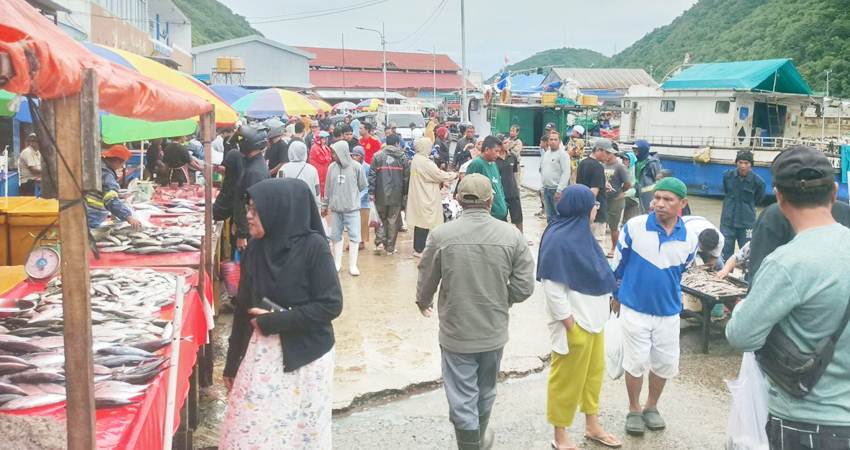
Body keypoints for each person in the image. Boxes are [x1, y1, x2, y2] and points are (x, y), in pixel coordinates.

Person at [725, 145, 850, 450]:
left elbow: (740, 336)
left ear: (779, 197)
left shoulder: (787, 263)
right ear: (834, 192)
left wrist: (743, 309)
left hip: (805, 421)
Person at [416, 173, 535, 450]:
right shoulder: (512, 235)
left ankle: (470, 444)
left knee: (461, 394)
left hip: (456, 331)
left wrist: (423, 302)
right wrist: (503, 300)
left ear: (458, 200)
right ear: (490, 200)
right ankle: (479, 438)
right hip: (493, 330)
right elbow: (525, 285)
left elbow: (427, 276)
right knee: (486, 390)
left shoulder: (442, 235)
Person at [220, 178, 342, 450]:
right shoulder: (254, 249)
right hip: (264, 350)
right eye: (248, 208)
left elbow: (330, 305)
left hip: (307, 355)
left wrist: (276, 320)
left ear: (279, 209)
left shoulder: (313, 247)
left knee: (298, 433)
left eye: (255, 209)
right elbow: (242, 311)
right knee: (248, 430)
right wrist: (232, 362)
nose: (248, 216)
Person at [612, 177, 698, 437]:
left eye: (668, 199)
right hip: (634, 308)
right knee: (635, 362)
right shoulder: (634, 227)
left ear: (682, 203)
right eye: (657, 198)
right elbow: (618, 264)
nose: (659, 204)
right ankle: (634, 409)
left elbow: (683, 270)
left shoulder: (690, 239)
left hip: (669, 312)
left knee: (664, 364)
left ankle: (652, 406)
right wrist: (616, 295)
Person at [539, 184, 621, 450]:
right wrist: (570, 324)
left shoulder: (582, 234)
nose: (596, 209)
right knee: (566, 381)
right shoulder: (558, 237)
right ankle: (560, 435)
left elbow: (599, 273)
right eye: (593, 205)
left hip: (596, 323)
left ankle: (592, 425)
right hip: (575, 324)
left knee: (592, 376)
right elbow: (552, 288)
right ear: (583, 208)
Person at [747, 201, 850, 283]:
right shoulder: (845, 213)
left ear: (778, 194)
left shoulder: (775, 215)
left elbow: (759, 283)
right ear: (834, 191)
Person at [406, 137, 457, 257]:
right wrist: (454, 175)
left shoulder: (416, 159)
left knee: (420, 221)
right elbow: (438, 174)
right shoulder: (425, 162)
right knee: (425, 222)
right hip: (425, 194)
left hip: (420, 193)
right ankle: (420, 249)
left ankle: (419, 248)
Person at [323, 140, 367, 276]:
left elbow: (362, 185)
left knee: (354, 236)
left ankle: (353, 265)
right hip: (336, 209)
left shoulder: (356, 167)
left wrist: (352, 196)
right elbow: (328, 188)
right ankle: (337, 263)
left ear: (342, 153)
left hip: (352, 209)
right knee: (336, 236)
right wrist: (325, 204)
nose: (333, 156)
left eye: (335, 153)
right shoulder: (331, 167)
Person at [719, 150, 766, 261]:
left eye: (746, 163)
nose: (743, 166)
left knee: (748, 253)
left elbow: (759, 199)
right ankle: (725, 275)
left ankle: (746, 276)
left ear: (751, 165)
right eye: (740, 162)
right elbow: (726, 192)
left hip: (747, 224)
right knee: (725, 251)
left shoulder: (758, 182)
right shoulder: (727, 176)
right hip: (728, 222)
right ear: (736, 163)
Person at [368, 134, 410, 255]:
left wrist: (371, 192)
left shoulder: (377, 156)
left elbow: (372, 176)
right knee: (393, 220)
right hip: (396, 195)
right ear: (397, 143)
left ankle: (380, 241)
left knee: (380, 218)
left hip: (379, 193)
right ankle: (390, 247)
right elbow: (406, 178)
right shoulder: (402, 157)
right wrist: (405, 193)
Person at [85, 145, 142, 229]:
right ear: (116, 161)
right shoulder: (106, 174)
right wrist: (128, 217)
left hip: (85, 213)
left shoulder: (97, 166)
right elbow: (110, 199)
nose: (122, 166)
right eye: (123, 163)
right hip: (92, 216)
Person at [233, 126, 271, 252]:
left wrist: (243, 234)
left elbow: (252, 206)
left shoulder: (255, 172)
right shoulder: (251, 163)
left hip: (251, 231)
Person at [576, 138, 614, 237]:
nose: (609, 156)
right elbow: (592, 192)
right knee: (597, 246)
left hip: (582, 212)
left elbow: (583, 184)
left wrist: (602, 184)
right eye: (607, 152)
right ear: (598, 150)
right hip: (596, 215)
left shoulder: (583, 163)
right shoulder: (598, 167)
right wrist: (592, 214)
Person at [465, 136, 508, 221]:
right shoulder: (477, 164)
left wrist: (504, 204)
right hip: (488, 217)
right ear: (487, 150)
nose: (498, 154)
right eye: (496, 151)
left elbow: (499, 186)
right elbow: (467, 188)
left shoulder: (493, 164)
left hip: (501, 214)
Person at [604, 147, 632, 257]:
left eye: (608, 153)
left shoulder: (620, 167)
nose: (606, 155)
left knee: (614, 226)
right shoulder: (603, 165)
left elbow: (627, 183)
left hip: (616, 200)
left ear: (613, 154)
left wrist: (621, 192)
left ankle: (614, 248)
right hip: (604, 198)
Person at [278, 140, 321, 209]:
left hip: (290, 207)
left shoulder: (283, 169)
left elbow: (279, 190)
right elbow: (317, 192)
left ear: (290, 152)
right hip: (308, 207)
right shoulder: (313, 169)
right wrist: (318, 209)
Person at [540, 131, 571, 224]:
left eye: (555, 140)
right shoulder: (546, 154)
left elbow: (566, 172)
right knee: (550, 217)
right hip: (546, 190)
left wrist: (560, 190)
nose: (553, 141)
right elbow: (544, 170)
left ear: (559, 141)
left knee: (560, 217)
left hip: (556, 191)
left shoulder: (563, 154)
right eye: (551, 139)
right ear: (548, 141)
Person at [495, 139, 522, 231]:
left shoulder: (512, 157)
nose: (507, 145)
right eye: (504, 143)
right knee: (502, 219)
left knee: (518, 218)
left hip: (513, 192)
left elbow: (514, 174)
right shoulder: (494, 159)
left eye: (508, 142)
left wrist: (517, 189)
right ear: (499, 145)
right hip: (500, 194)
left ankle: (521, 237)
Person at [633, 139, 662, 213]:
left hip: (649, 192)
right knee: (641, 211)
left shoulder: (652, 162)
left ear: (643, 150)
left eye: (637, 150)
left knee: (649, 210)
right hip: (639, 190)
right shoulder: (637, 162)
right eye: (634, 150)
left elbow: (658, 178)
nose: (635, 152)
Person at [351, 146, 371, 250]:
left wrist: (359, 197)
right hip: (352, 199)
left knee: (363, 222)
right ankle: (354, 240)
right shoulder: (350, 166)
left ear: (362, 156)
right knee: (353, 222)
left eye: (357, 155)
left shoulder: (367, 167)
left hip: (364, 201)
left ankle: (361, 241)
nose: (354, 157)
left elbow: (367, 185)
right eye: (353, 155)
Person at [310, 132, 333, 198]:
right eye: (323, 139)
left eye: (326, 138)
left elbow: (329, 157)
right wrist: (328, 158)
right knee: (319, 187)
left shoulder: (325, 147)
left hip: (324, 171)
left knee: (325, 186)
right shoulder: (315, 147)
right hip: (319, 172)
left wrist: (328, 158)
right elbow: (322, 159)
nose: (325, 140)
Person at [619, 151, 640, 224]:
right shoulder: (624, 170)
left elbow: (635, 188)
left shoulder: (635, 171)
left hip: (633, 199)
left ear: (632, 160)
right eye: (623, 159)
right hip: (626, 197)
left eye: (627, 159)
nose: (624, 161)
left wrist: (623, 194)